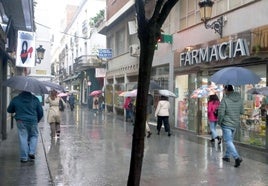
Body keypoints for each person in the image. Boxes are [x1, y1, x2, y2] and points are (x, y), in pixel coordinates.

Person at [7, 91, 43, 163]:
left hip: (20, 121)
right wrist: (37, 120)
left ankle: (24, 157)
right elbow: (40, 112)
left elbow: (9, 110)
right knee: (34, 136)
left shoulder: (16, 99)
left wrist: (16, 108)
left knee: (23, 137)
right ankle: (31, 152)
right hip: (33, 120)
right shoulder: (35, 99)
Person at [218, 85, 244, 168]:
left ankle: (237, 157)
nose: (224, 91)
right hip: (235, 123)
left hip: (226, 123)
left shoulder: (225, 99)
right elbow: (242, 111)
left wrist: (219, 122)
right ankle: (226, 156)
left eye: (224, 89)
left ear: (226, 89)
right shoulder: (239, 99)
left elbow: (221, 113)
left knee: (228, 141)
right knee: (230, 140)